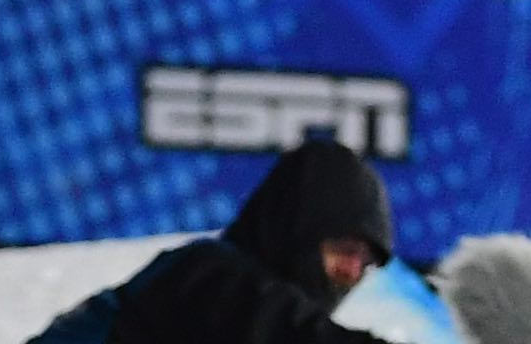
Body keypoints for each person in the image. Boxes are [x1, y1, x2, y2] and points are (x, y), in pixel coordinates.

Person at [40, 136, 394, 344]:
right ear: (296, 231)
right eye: (345, 250)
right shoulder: (209, 277)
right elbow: (287, 332)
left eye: (365, 263)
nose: (352, 271)